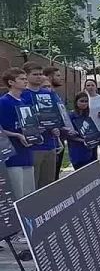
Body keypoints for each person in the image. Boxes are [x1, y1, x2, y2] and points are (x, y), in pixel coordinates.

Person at [22, 62, 67, 189]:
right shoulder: (22, 95)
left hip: (50, 144)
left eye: (41, 74)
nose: (39, 77)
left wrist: (57, 130)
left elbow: (55, 116)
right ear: (26, 76)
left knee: (48, 183)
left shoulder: (49, 94)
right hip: (33, 146)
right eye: (35, 74)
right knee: (33, 185)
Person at [0, 68, 36, 199]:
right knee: (18, 195)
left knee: (29, 194)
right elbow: (1, 129)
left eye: (26, 78)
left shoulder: (24, 102)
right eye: (22, 79)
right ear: (11, 82)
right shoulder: (3, 102)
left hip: (27, 153)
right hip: (12, 156)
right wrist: (17, 135)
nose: (26, 81)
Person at [66, 93, 98, 170]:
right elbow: (68, 135)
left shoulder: (86, 116)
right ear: (76, 102)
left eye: (86, 101)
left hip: (89, 149)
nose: (84, 103)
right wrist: (82, 140)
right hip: (76, 149)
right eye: (81, 101)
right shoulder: (71, 116)